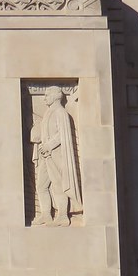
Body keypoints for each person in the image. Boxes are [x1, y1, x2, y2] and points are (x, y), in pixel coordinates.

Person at [32, 86, 81, 226]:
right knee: (41, 186)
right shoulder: (49, 113)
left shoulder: (60, 112)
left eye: (47, 95)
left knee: (58, 186)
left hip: (56, 156)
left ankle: (63, 216)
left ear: (55, 96)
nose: (44, 98)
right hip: (46, 156)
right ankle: (46, 214)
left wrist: (49, 145)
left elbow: (62, 135)